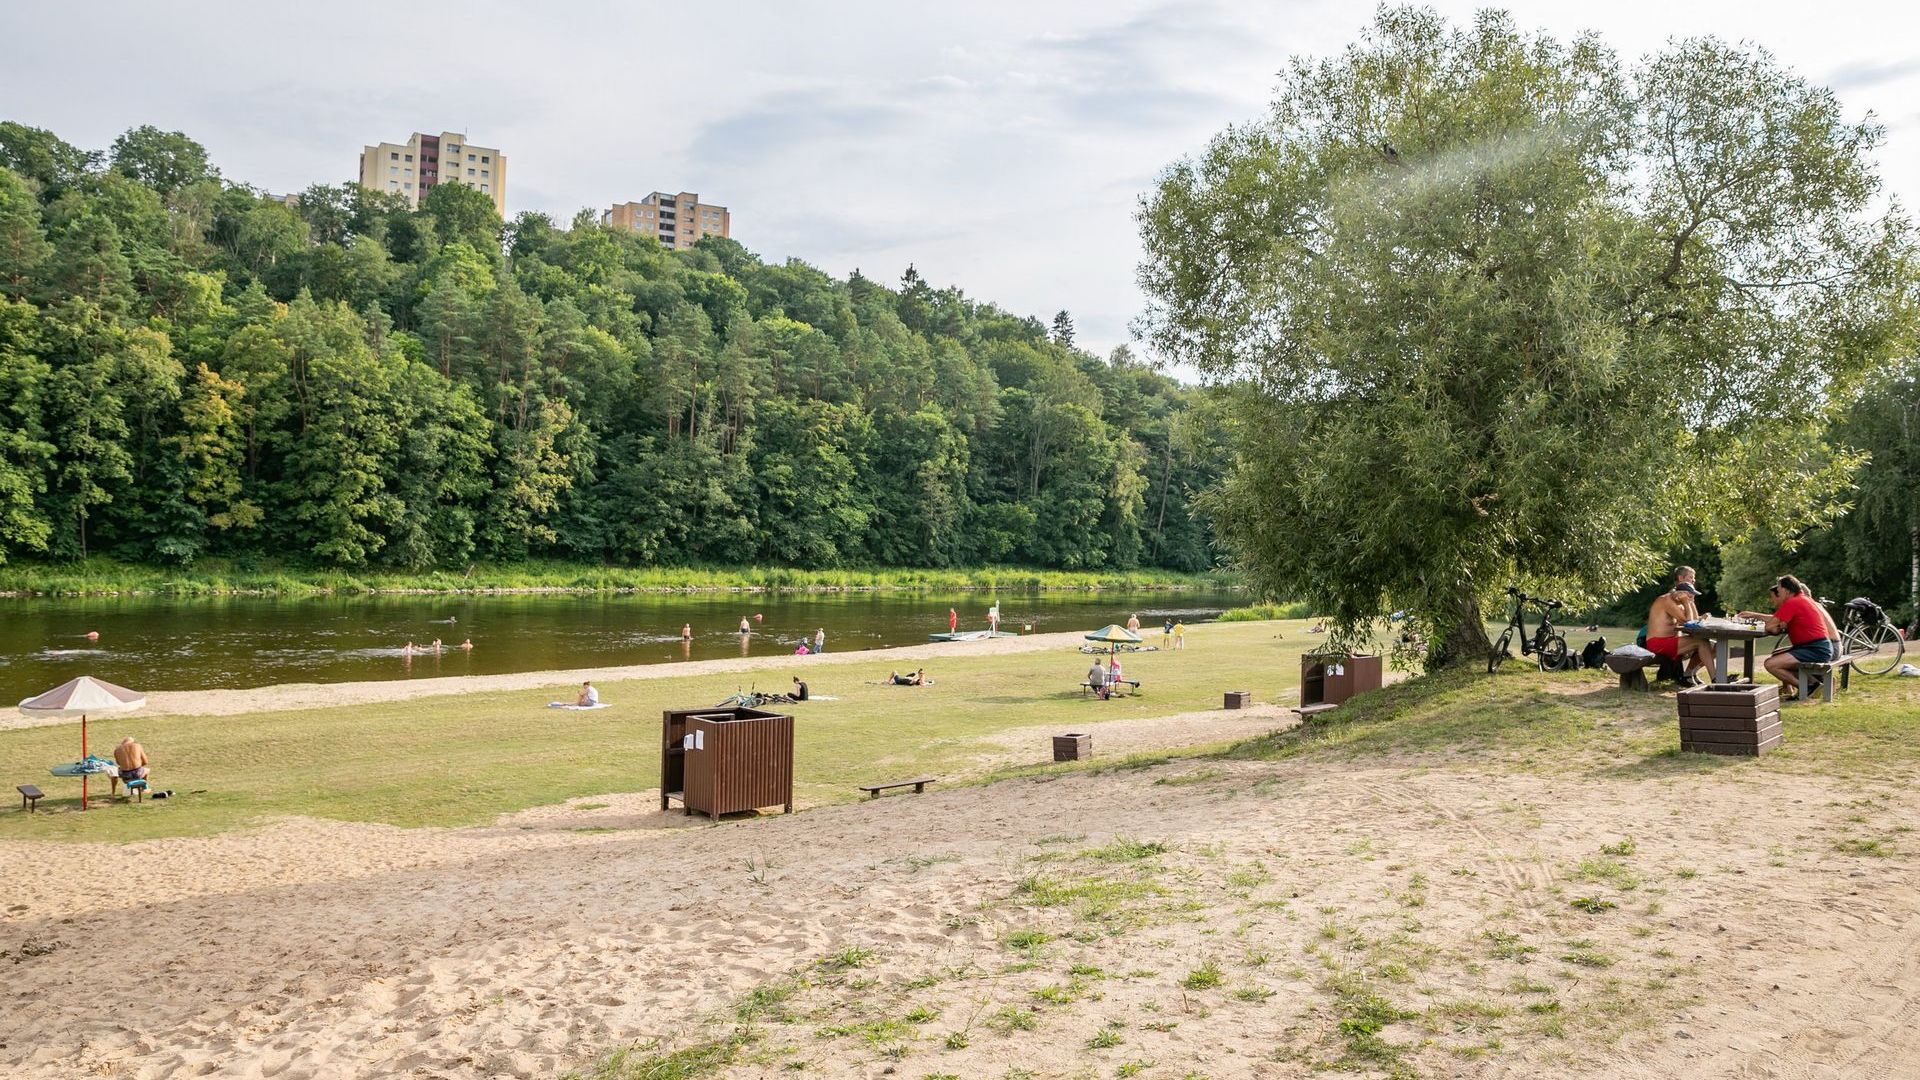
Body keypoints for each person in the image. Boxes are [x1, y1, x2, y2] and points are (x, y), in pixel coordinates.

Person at [1738, 575, 1835, 699]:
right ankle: (1810, 685)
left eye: (1778, 590)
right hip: (1816, 646)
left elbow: (1770, 626)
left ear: (1786, 590)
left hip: (1815, 649)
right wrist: (1771, 624)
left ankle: (1809, 687)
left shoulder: (1793, 602)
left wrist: (1775, 627)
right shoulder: (1802, 599)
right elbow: (1775, 622)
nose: (1777, 593)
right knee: (1776, 655)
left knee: (1771, 664)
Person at [1645, 583, 1711, 684]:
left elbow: (1694, 620)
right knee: (1703, 642)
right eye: (1690, 595)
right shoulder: (1667, 600)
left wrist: (1691, 603)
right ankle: (1716, 679)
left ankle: (1689, 674)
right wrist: (1687, 602)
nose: (1692, 597)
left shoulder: (1679, 604)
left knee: (1713, 645)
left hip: (1668, 642)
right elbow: (1689, 622)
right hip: (1657, 643)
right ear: (1681, 594)